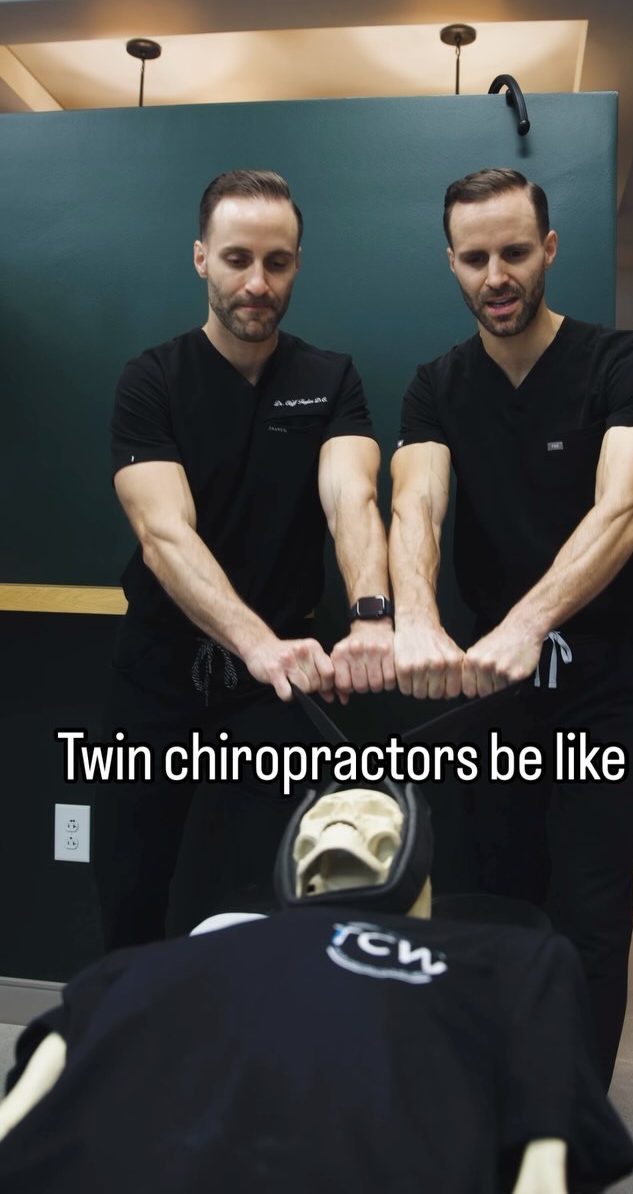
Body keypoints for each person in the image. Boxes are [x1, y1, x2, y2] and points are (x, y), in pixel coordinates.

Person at [389, 168, 633, 1087]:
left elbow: (624, 508)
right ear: (451, 263)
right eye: (474, 257)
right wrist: (416, 620)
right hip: (492, 691)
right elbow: (416, 505)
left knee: (590, 911)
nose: (497, 275)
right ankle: (497, 1089)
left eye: (514, 251)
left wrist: (528, 624)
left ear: (548, 249)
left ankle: (571, 1112)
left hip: (606, 683)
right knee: (487, 899)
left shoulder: (622, 363)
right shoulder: (437, 386)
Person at [0, 783, 633, 1193]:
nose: (339, 822)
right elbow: (24, 1110)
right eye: (324, 813)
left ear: (413, 851)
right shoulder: (141, 968)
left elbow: (545, 1147)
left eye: (370, 810)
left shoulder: (510, 959)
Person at [95, 169, 395, 950]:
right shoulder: (151, 380)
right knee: (130, 894)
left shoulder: (330, 379)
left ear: (297, 265)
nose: (257, 283)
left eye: (277, 262)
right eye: (237, 259)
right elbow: (165, 534)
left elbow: (352, 498)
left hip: (276, 690)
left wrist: (371, 615)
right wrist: (257, 643)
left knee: (271, 901)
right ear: (201, 258)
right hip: (160, 674)